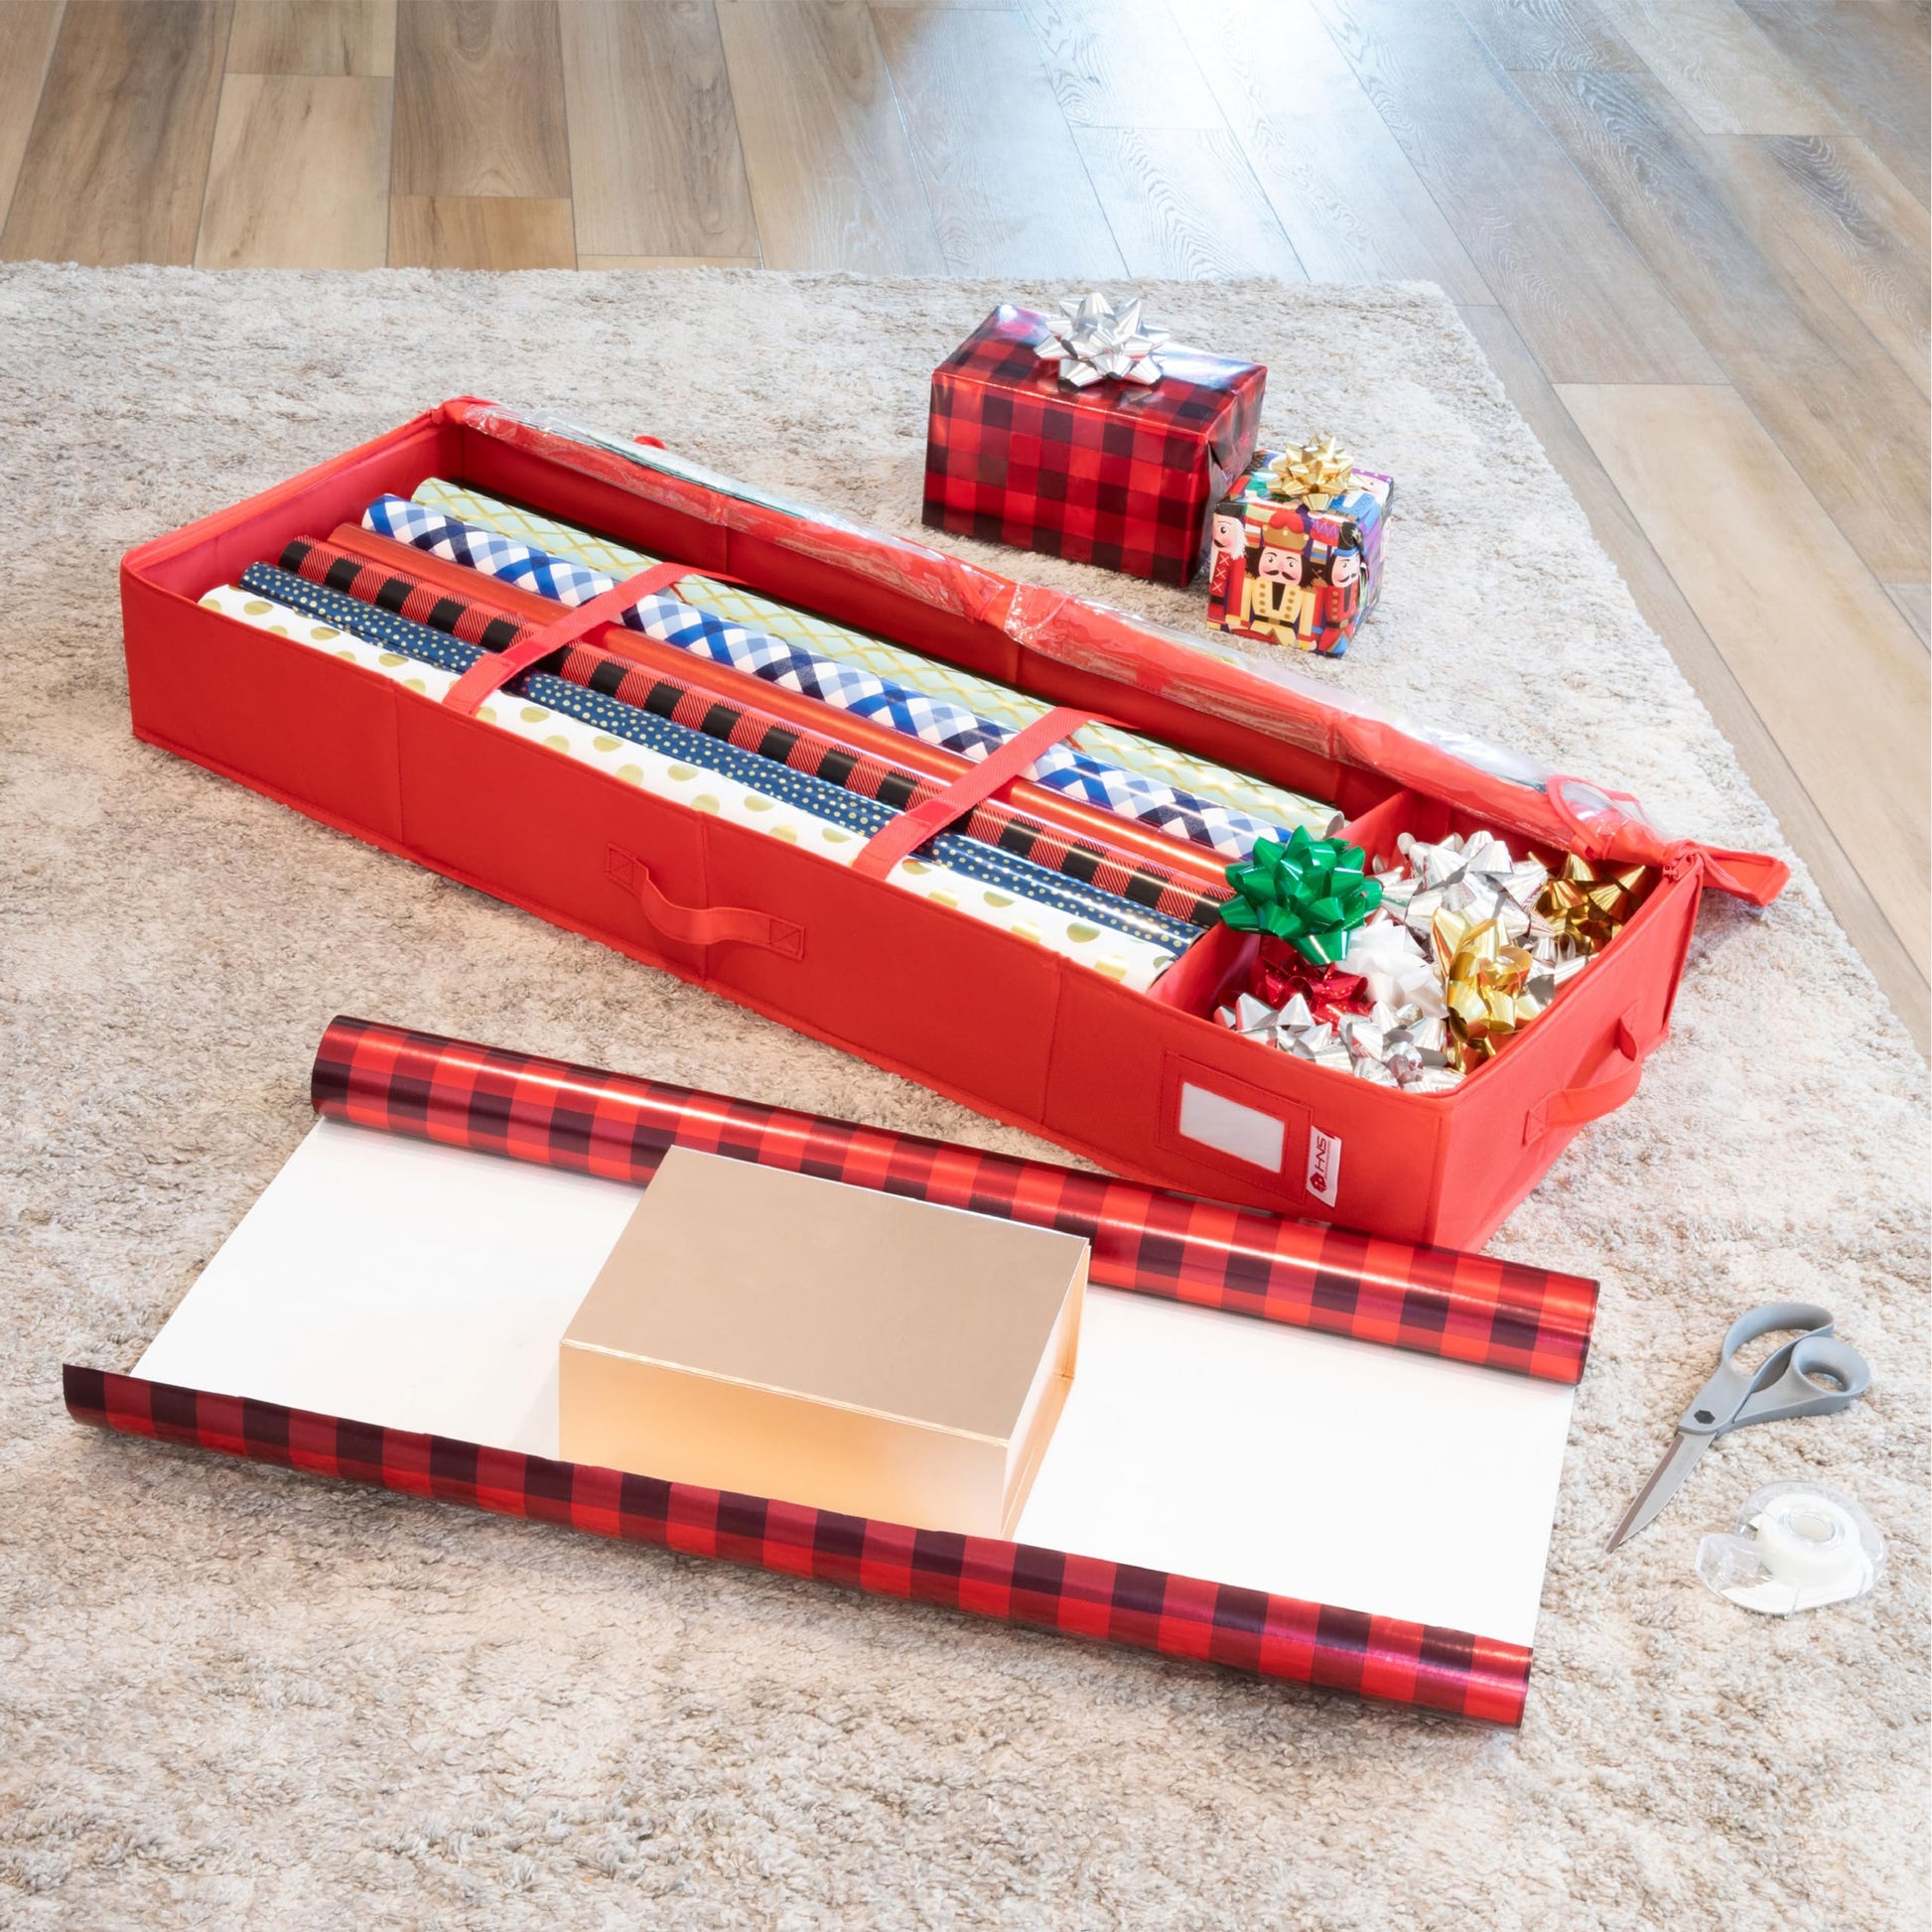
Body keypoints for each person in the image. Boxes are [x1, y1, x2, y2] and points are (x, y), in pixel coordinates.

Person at [1238, 512, 1318, 650]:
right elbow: (1243, 606)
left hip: (1287, 634)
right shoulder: (1252, 580)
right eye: (1271, 559)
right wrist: (1242, 623)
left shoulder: (1305, 591)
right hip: (1257, 627)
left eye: (1291, 563)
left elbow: (1306, 616)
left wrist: (1304, 639)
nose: (1280, 567)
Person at [1204, 501, 1249, 627]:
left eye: (1223, 530)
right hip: (1216, 585)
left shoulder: (1239, 559)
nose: (1217, 536)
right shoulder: (1218, 551)